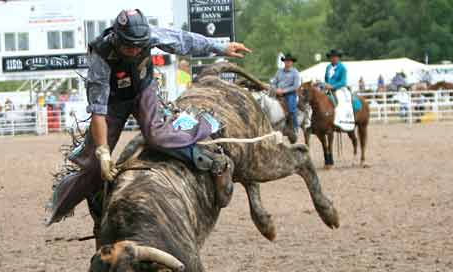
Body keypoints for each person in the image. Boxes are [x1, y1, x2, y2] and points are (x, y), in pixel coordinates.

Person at [48, 8, 251, 227]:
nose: (135, 50)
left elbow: (182, 40)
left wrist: (220, 46)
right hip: (112, 103)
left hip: (143, 90)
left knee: (155, 134)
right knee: (95, 165)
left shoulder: (149, 35)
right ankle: (78, 204)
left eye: (139, 46)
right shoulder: (101, 56)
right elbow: (98, 110)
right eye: (129, 46)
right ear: (116, 38)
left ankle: (210, 159)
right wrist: (103, 153)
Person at [270, 52, 301, 141]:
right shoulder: (279, 71)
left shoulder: (295, 73)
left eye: (289, 61)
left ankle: (294, 127)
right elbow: (274, 81)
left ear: (292, 63)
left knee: (291, 109)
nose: (287, 63)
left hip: (290, 93)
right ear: (284, 62)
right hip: (277, 92)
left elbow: (295, 86)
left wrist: (283, 91)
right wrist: (275, 89)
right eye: (286, 61)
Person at [324, 48, 355, 133]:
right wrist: (326, 85)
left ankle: (341, 119)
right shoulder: (328, 67)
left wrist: (332, 86)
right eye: (331, 57)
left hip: (339, 88)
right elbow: (326, 79)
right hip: (329, 88)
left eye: (335, 57)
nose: (333, 58)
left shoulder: (342, 68)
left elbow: (343, 81)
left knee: (340, 100)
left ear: (338, 58)